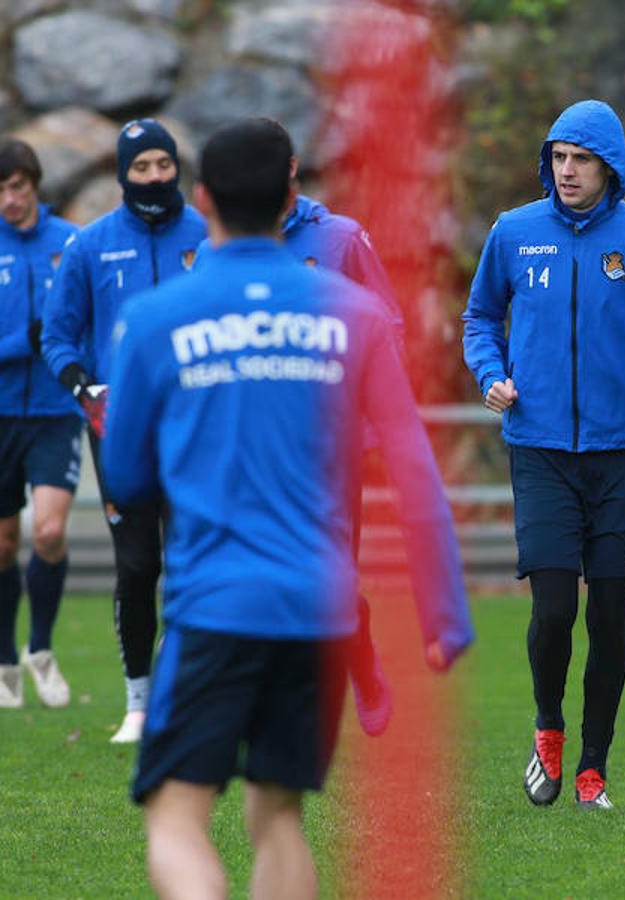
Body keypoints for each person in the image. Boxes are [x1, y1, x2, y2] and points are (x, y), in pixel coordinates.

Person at [100, 118, 473, 897]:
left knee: (175, 816)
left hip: (215, 607)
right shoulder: (354, 314)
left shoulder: (157, 319)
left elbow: (127, 479)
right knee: (278, 817)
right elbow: (412, 466)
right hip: (320, 608)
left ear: (201, 199)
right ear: (290, 198)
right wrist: (445, 613)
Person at [462, 99, 625, 809]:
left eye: (582, 160)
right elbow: (480, 316)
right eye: (559, 158)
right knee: (551, 611)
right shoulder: (514, 232)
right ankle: (548, 728)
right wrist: (492, 374)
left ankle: (594, 769)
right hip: (539, 451)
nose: (567, 171)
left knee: (608, 617)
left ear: (610, 167)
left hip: (621, 455)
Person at [195, 121, 399, 735]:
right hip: (244, 448)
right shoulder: (214, 249)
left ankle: (357, 657)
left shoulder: (339, 238)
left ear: (292, 170)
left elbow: (387, 329)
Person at [40, 119, 208, 743]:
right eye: (142, 168)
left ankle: (186, 693)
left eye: (164, 164)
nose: (155, 177)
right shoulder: (90, 245)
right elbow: (58, 336)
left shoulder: (208, 236)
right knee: (138, 568)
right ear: (122, 174)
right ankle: (138, 704)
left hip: (199, 427)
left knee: (195, 564)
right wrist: (84, 388)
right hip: (122, 430)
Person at [0, 137, 80, 709]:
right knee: (1, 543)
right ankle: (3, 663)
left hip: (55, 413)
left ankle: (40, 648)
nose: (11, 198)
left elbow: (85, 322)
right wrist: (20, 344)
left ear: (34, 184)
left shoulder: (70, 243)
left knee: (48, 532)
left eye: (19, 186)